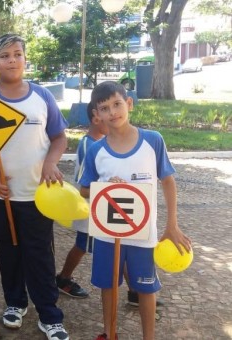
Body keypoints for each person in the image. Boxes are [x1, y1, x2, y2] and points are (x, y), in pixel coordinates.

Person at [0, 34, 70, 340]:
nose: (12, 60)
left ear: (25, 59)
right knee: (9, 252)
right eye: (5, 56)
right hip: (0, 197)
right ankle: (15, 302)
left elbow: (60, 137)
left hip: (38, 196)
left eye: (18, 54)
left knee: (40, 255)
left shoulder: (42, 97)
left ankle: (49, 315)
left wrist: (51, 162)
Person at [79, 81, 192, 340]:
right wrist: (104, 187)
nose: (113, 112)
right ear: (97, 114)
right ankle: (109, 333)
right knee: (108, 286)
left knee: (146, 287)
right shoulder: (96, 150)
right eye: (104, 108)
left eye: (117, 104)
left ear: (129, 104)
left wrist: (171, 225)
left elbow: (168, 181)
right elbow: (84, 190)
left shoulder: (152, 140)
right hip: (108, 234)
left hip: (143, 234)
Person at [55, 102, 107, 298]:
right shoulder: (89, 145)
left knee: (90, 245)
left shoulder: (101, 142)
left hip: (100, 203)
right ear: (95, 118)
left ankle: (135, 290)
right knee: (82, 245)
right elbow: (85, 181)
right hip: (90, 206)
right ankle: (63, 278)